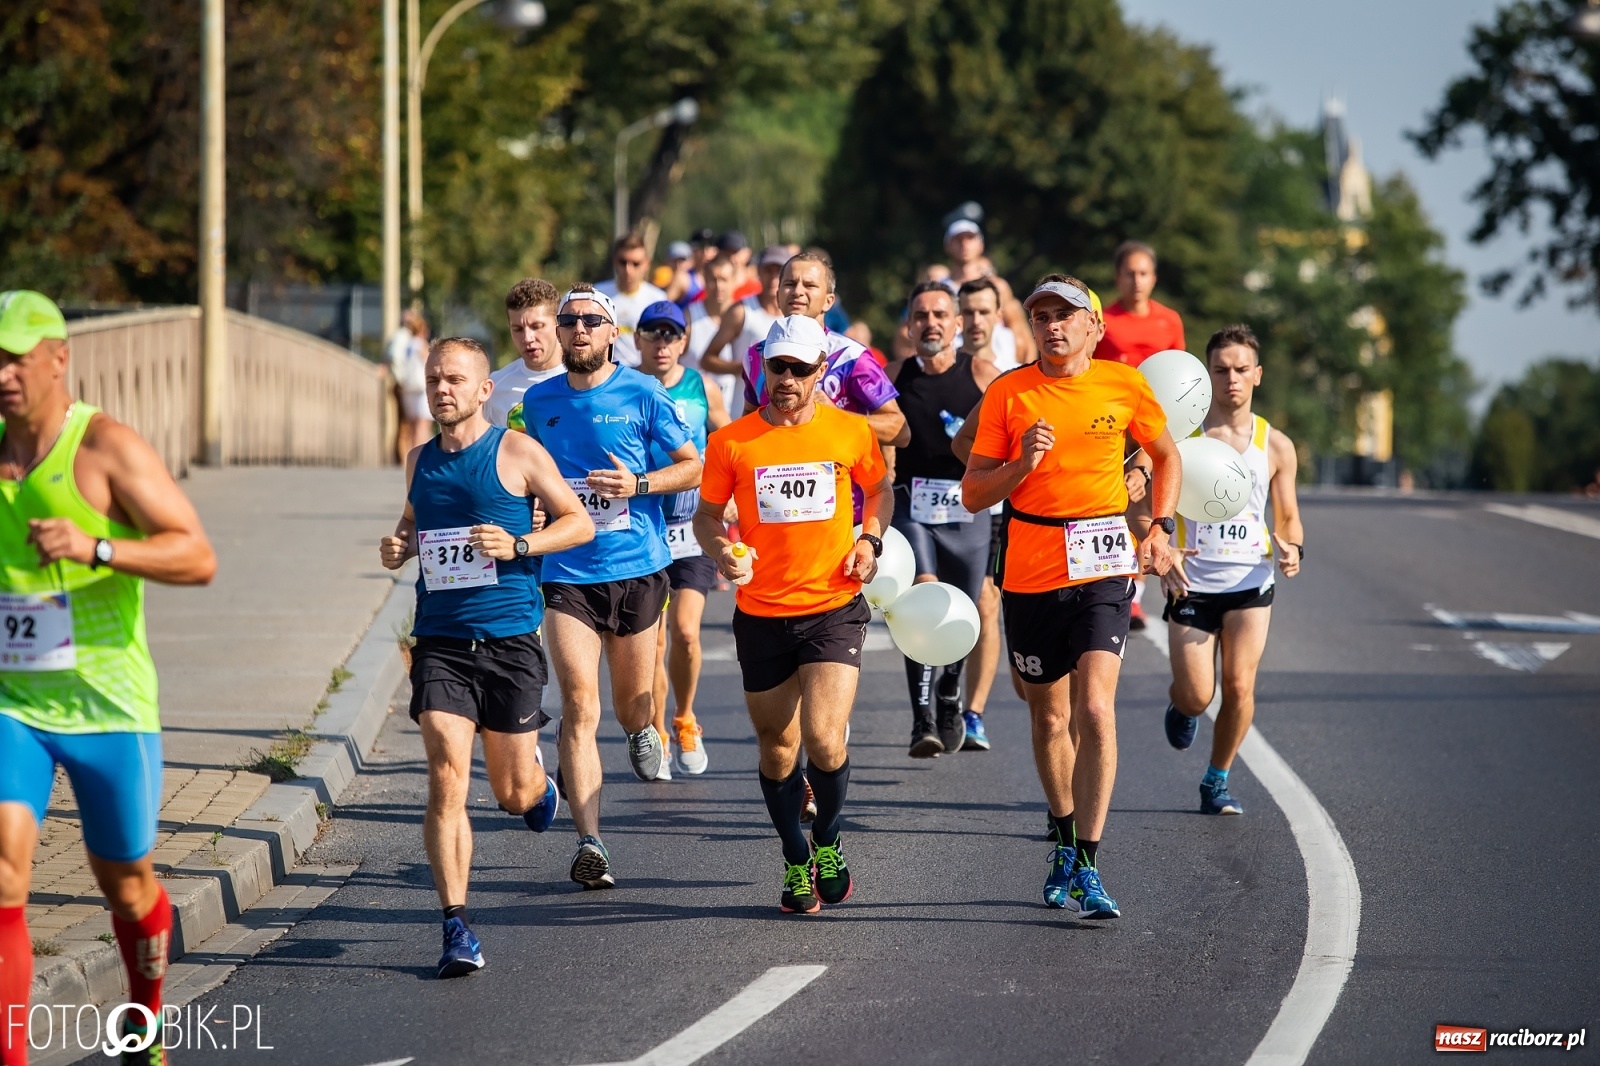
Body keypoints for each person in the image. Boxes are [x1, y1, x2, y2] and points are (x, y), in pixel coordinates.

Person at [0, 290, 218, 1065]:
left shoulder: (105, 448)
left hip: (106, 704)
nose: (3, 372)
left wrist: (95, 546)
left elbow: (197, 555)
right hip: (12, 702)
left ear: (60, 358)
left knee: (127, 883)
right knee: (4, 870)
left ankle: (144, 1023)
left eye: (17, 356)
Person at [962, 274, 1181, 921]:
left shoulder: (1125, 385)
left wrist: (1161, 526)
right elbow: (974, 492)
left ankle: (1088, 861)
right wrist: (1021, 466)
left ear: (1094, 326)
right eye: (1041, 315)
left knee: (1095, 709)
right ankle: (1061, 835)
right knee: (1049, 718)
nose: (1052, 325)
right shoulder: (1009, 393)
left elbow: (1166, 455)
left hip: (1105, 564)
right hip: (1030, 571)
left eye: (1065, 315)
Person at [379, 337, 593, 978]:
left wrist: (521, 543)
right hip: (441, 642)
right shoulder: (418, 458)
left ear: (483, 391)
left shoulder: (517, 452)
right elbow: (416, 524)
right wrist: (400, 546)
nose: (442, 388)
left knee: (508, 791)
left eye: (455, 379)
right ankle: (455, 926)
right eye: (434, 378)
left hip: (509, 644)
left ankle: (538, 786)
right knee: (446, 773)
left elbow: (577, 522)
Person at [693, 314, 892, 914]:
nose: (786, 378)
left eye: (799, 369)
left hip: (832, 606)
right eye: (777, 367)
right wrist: (722, 552)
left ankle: (827, 838)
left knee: (824, 739)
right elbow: (706, 516)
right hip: (761, 614)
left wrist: (870, 539)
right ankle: (794, 856)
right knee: (778, 750)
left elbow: (879, 489)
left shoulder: (850, 432)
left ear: (820, 372)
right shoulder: (732, 440)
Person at [524, 284, 701, 889]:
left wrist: (641, 484)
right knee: (579, 705)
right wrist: (532, 515)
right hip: (568, 572)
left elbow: (694, 465)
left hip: (635, 568)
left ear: (611, 334)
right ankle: (590, 843)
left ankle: (644, 729)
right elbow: (526, 479)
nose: (577, 330)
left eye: (590, 322)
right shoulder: (541, 402)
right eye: (567, 320)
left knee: (631, 707)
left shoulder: (643, 392)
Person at [1160, 324, 1303, 816]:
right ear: (1207, 375)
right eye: (1220, 370)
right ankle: (1181, 706)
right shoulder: (1182, 439)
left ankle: (1216, 779)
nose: (1232, 379)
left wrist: (1293, 549)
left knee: (1240, 685)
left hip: (1250, 582)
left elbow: (1287, 517)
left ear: (1258, 375)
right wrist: (1162, 547)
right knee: (1199, 697)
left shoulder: (1276, 445)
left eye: (1242, 369)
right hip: (1192, 583)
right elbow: (1148, 507)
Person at [886, 282, 999, 757]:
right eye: (920, 315)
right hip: (913, 508)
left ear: (957, 325)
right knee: (924, 599)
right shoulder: (892, 377)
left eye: (939, 315)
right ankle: (922, 720)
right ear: (909, 327)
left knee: (965, 607)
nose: (930, 323)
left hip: (968, 509)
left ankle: (951, 690)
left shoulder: (984, 375)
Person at [636, 301, 731, 779]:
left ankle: (685, 717)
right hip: (642, 528)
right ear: (637, 339)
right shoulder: (625, 386)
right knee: (651, 644)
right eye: (653, 334)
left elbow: (730, 445)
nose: (662, 343)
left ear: (684, 341)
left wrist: (734, 503)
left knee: (687, 633)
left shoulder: (703, 387)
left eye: (671, 335)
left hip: (691, 527)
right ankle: (658, 738)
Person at [740, 253, 907, 452]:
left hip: (843, 480)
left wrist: (837, 416)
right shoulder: (755, 355)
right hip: (774, 477)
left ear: (829, 301)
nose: (797, 291)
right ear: (778, 296)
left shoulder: (852, 357)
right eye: (790, 284)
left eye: (809, 285)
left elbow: (899, 430)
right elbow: (748, 422)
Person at [696, 245, 786, 402]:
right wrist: (746, 367)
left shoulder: (795, 313)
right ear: (758, 271)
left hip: (783, 414)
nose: (773, 277)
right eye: (767, 270)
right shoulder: (741, 311)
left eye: (778, 271)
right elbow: (707, 359)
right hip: (745, 411)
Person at [944, 219, 1035, 366]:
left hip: (1000, 368)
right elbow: (908, 335)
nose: (964, 244)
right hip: (953, 369)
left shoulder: (998, 287)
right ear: (947, 245)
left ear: (981, 245)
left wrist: (1029, 371)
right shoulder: (938, 291)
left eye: (970, 238)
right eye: (958, 239)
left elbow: (1021, 332)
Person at [487, 278, 565, 431]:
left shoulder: (584, 380)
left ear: (558, 324)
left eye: (537, 326)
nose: (527, 338)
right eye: (517, 329)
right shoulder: (495, 387)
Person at [1093, 240, 1185, 368]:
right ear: (1118, 278)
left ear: (1153, 279)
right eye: (1130, 274)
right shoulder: (1101, 322)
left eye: (1143, 274)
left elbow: (1179, 368)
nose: (1137, 281)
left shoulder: (1170, 319)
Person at [685, 256, 758, 416]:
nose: (719, 286)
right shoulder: (688, 317)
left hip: (736, 411)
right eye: (713, 279)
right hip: (697, 412)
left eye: (724, 279)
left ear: (734, 280)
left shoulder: (749, 315)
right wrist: (744, 368)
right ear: (704, 279)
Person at [594, 234, 670, 369]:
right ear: (614, 261)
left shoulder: (658, 300)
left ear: (647, 264)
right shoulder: (597, 294)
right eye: (623, 262)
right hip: (605, 376)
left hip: (643, 376)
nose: (628, 270)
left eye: (636, 263)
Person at [388, 307, 432, 457]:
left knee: (411, 425)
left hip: (408, 387)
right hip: (420, 389)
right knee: (422, 424)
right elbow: (429, 365)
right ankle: (421, 456)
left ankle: (411, 455)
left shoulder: (406, 345)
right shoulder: (421, 345)